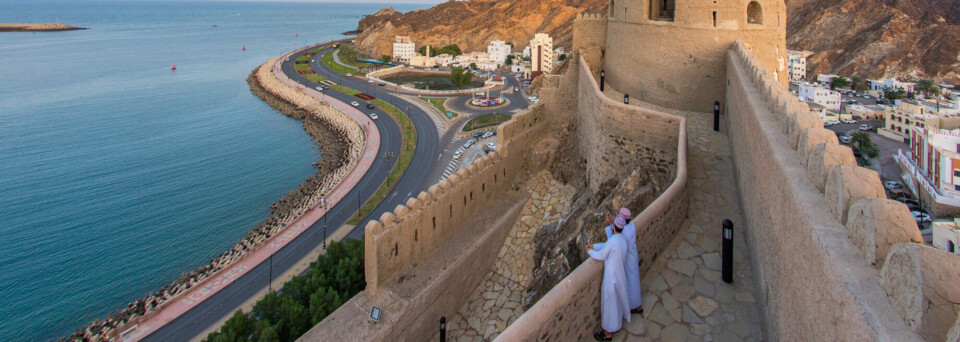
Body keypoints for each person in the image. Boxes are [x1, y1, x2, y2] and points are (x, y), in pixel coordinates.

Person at [587, 215, 631, 341]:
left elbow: (602, 255)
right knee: (615, 303)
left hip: (611, 278)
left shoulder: (613, 241)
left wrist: (589, 251)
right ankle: (616, 325)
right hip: (619, 275)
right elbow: (608, 244)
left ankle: (607, 333)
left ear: (614, 227)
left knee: (608, 304)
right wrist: (594, 246)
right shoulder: (621, 240)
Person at [605, 208, 643, 314]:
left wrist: (609, 225)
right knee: (634, 281)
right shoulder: (631, 226)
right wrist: (613, 223)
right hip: (633, 256)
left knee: (629, 283)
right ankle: (638, 305)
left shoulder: (624, 232)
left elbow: (614, 240)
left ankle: (630, 307)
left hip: (626, 260)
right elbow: (620, 230)